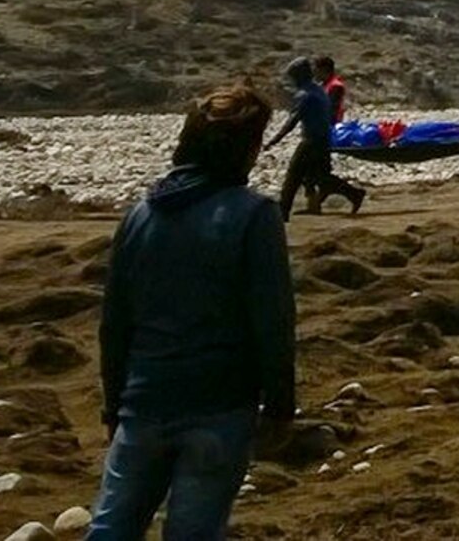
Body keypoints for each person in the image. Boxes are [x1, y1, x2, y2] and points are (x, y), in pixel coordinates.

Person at [88, 79, 297, 541]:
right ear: (244, 149)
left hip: (143, 402)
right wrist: (281, 405)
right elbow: (273, 319)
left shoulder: (139, 215)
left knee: (112, 526)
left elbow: (115, 323)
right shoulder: (254, 216)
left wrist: (112, 406)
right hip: (218, 406)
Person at [273, 57, 363, 217]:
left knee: (294, 175)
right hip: (323, 137)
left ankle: (283, 210)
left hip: (312, 139)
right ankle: (353, 194)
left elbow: (293, 120)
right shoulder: (319, 89)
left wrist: (276, 139)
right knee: (319, 176)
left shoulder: (306, 94)